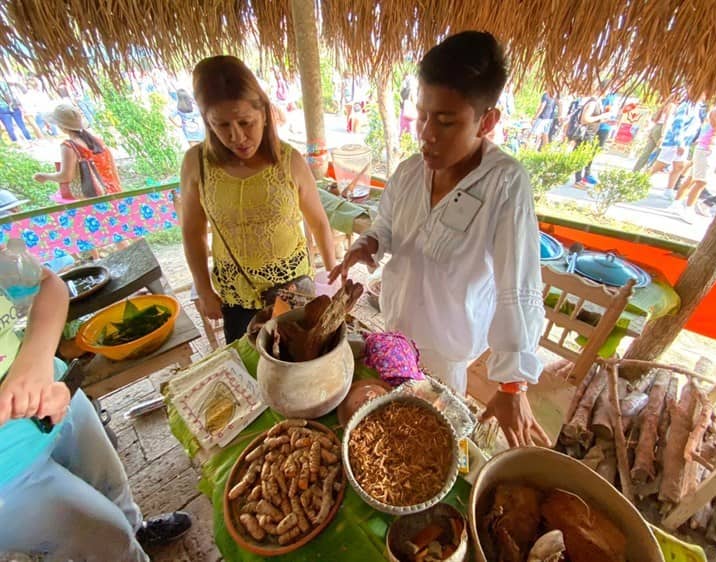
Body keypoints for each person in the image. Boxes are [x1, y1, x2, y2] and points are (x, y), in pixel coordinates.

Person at [330, 31, 550, 448]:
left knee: (430, 433)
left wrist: (512, 386)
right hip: (396, 327)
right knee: (392, 429)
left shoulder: (504, 184)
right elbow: (388, 228)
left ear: (487, 122)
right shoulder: (411, 171)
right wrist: (368, 245)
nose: (427, 133)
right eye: (422, 115)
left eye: (446, 121)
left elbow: (518, 286)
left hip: (448, 347)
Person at [0, 266, 191, 560]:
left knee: (109, 481)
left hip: (57, 393)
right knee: (106, 540)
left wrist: (34, 362)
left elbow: (49, 283)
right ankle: (126, 547)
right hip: (9, 470)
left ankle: (136, 530)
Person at [180, 56, 336, 344]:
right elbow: (192, 232)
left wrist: (333, 279)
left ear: (264, 113)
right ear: (207, 122)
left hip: (294, 291)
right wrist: (203, 288)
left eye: (245, 122)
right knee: (252, 370)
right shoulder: (196, 164)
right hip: (238, 296)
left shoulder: (290, 161)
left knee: (300, 362)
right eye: (221, 125)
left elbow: (319, 224)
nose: (237, 136)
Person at [32, 103, 122, 198]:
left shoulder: (69, 146)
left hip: (96, 196)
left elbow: (66, 176)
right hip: (114, 191)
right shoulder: (97, 141)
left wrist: (45, 176)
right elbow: (113, 168)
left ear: (62, 126)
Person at [648, 94, 702, 200]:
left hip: (685, 142)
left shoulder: (698, 107)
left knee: (679, 167)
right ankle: (641, 180)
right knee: (660, 165)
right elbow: (678, 125)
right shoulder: (686, 106)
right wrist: (679, 142)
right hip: (674, 142)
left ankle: (669, 190)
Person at [571, 83, 612, 187]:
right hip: (586, 133)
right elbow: (585, 119)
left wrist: (603, 119)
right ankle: (578, 180)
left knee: (583, 156)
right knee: (580, 157)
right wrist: (601, 116)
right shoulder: (593, 102)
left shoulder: (598, 102)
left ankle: (581, 179)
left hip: (591, 133)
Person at [632, 94, 676, 172]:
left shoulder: (664, 106)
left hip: (656, 127)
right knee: (660, 152)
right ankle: (648, 171)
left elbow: (655, 118)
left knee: (646, 152)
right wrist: (663, 135)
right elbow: (667, 120)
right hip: (662, 128)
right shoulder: (672, 106)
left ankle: (636, 170)